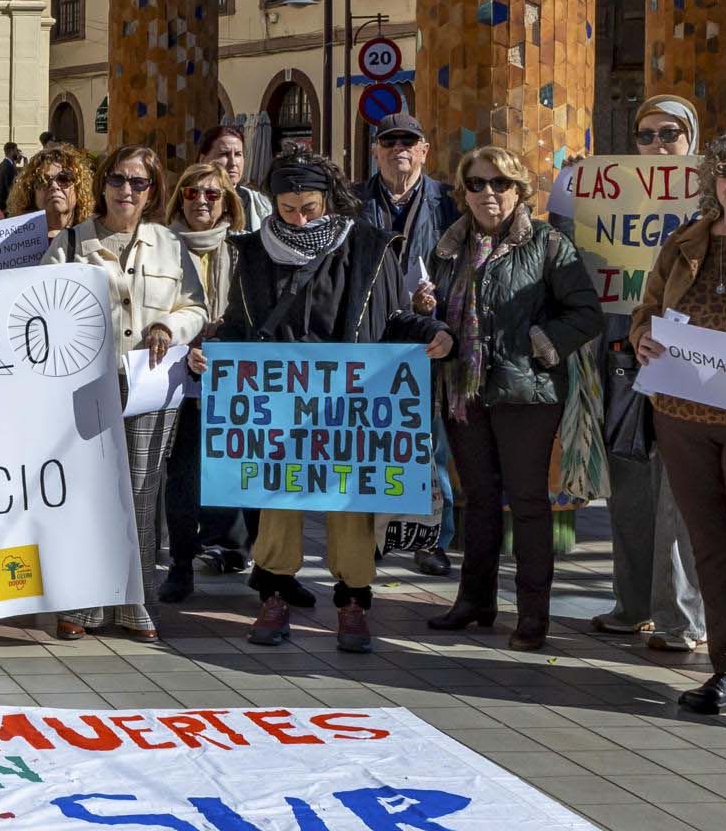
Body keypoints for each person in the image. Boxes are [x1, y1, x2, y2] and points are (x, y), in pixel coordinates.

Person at [216, 153, 453, 653]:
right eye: (287, 209)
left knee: (350, 504)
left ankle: (352, 600)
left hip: (350, 401)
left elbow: (392, 319)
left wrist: (432, 331)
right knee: (278, 498)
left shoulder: (366, 246)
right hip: (280, 402)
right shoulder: (254, 252)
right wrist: (209, 351)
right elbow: (239, 325)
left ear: (328, 200)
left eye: (308, 207)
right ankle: (275, 593)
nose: (299, 219)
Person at [420, 146, 603, 651]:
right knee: (476, 499)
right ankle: (475, 600)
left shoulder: (547, 243)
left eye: (500, 183)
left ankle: (533, 615)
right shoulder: (449, 246)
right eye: (476, 184)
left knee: (526, 503)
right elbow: (435, 314)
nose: (488, 193)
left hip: (527, 391)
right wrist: (429, 317)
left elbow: (585, 314)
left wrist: (537, 346)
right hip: (463, 389)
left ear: (521, 190)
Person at [631, 121, 726, 722]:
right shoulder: (686, 239)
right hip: (682, 414)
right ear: (713, 175)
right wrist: (641, 340)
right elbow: (647, 309)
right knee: (710, 550)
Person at [45, 147, 206, 642]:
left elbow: (195, 308)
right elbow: (39, 307)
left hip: (149, 384)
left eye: (139, 183)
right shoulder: (72, 242)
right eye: (118, 179)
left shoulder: (171, 245)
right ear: (103, 184)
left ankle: (134, 600)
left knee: (141, 492)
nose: (127, 191)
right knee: (88, 495)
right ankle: (85, 603)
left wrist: (169, 325)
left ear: (152, 191)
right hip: (86, 385)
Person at [591, 95, 708, 653]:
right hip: (623, 359)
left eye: (670, 135)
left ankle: (680, 618)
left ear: (692, 141)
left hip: (690, 368)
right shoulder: (611, 201)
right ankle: (631, 604)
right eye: (647, 135)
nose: (658, 146)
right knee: (630, 489)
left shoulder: (716, 212)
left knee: (680, 498)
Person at [354, 113, 463, 578]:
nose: (399, 147)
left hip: (427, 335)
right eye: (389, 140)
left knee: (430, 445)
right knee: (369, 441)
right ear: (376, 150)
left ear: (424, 150)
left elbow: (463, 265)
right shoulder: (353, 201)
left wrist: (436, 294)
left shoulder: (448, 203)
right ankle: (372, 538)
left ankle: (433, 540)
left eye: (409, 140)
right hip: (371, 334)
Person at [157, 161, 257, 603]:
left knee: (248, 473)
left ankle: (265, 566)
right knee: (183, 474)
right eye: (192, 193)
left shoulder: (246, 250)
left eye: (212, 195)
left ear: (227, 203)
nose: (201, 201)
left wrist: (224, 336)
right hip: (179, 376)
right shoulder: (160, 246)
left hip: (235, 376)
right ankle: (180, 564)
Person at [5, 145, 93, 242]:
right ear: (31, 192)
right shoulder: (14, 243)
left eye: (64, 178)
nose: (54, 186)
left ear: (78, 187)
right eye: (43, 180)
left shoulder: (94, 235)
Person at [198, 126, 270, 232]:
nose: (233, 163)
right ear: (203, 160)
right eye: (224, 154)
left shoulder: (259, 204)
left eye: (238, 154)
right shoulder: (192, 198)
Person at [0, 142, 22, 217]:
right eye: (16, 151)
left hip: (4, 203)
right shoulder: (8, 167)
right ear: (11, 151)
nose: (17, 153)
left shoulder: (4, 164)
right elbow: (10, 187)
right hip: (7, 204)